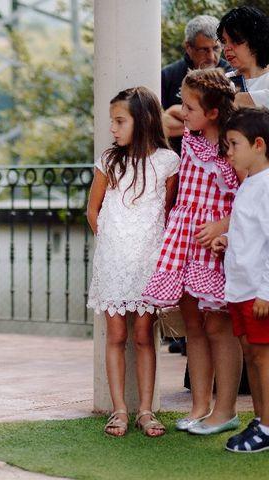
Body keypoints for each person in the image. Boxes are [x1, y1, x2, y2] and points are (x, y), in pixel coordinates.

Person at [143, 68, 243, 435]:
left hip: (214, 244)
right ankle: (200, 404)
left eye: (190, 106)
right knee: (194, 329)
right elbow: (168, 116)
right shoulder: (190, 136)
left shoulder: (233, 148)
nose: (182, 111)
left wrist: (223, 226)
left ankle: (226, 408)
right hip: (184, 239)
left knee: (220, 326)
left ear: (213, 112)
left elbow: (251, 198)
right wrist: (185, 104)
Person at [87, 86, 179, 437]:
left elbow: (166, 214)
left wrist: (150, 253)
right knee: (116, 334)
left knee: (143, 335)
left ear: (142, 121)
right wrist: (111, 246)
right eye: (112, 122)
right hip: (114, 262)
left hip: (149, 261)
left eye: (119, 121)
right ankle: (119, 409)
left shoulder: (168, 162)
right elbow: (92, 210)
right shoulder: (108, 161)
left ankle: (145, 410)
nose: (113, 128)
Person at [212, 107, 269, 453]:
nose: (228, 152)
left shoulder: (266, 187)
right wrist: (228, 240)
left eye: (233, 144)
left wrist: (266, 291)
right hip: (240, 289)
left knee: (263, 358)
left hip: (258, 293)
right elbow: (251, 234)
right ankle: (261, 419)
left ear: (258, 144)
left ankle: (267, 426)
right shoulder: (250, 183)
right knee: (251, 355)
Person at [162, 15, 231, 155]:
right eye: (204, 50)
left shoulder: (231, 75)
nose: (212, 57)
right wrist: (207, 125)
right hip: (178, 161)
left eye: (217, 48)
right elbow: (159, 124)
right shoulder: (168, 75)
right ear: (188, 47)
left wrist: (176, 111)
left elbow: (230, 123)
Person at [217, 6, 269, 108]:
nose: (226, 48)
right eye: (224, 42)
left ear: (255, 41)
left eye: (235, 40)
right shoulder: (222, 82)